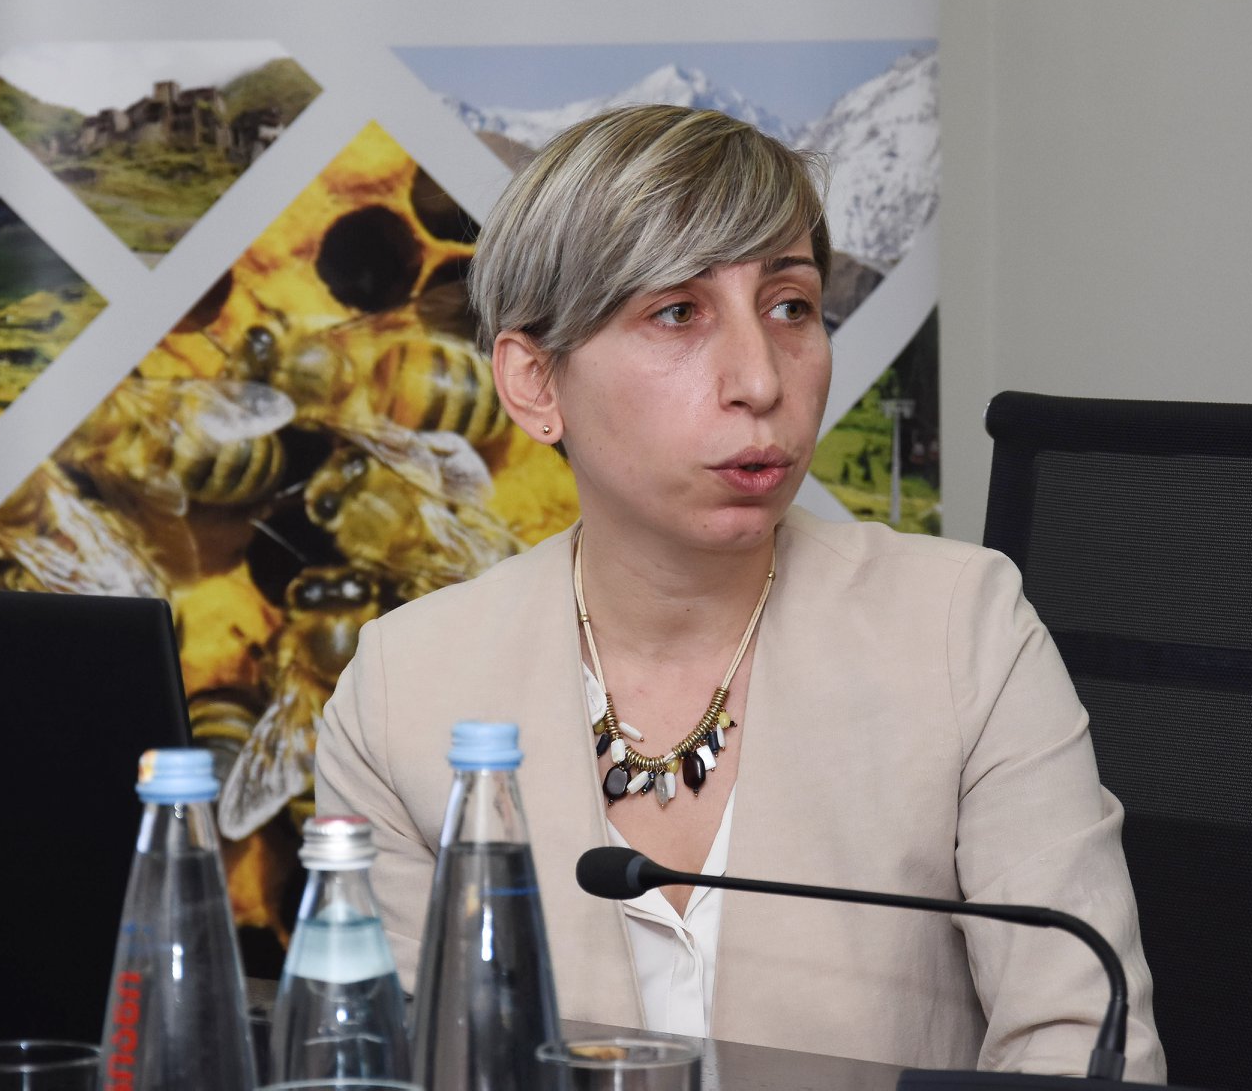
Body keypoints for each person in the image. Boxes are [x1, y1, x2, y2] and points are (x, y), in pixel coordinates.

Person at [314, 105, 1166, 1080]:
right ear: (536, 381)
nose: (760, 380)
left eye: (791, 306)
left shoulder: (960, 630)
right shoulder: (405, 689)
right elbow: (388, 1062)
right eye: (678, 312)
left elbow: (1081, 1041)